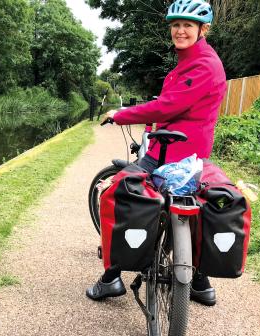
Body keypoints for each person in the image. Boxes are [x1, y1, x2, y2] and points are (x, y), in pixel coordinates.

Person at [86, 0, 227, 307]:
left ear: (204, 29)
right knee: (191, 207)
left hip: (175, 152)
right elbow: (177, 106)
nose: (180, 31)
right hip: (189, 150)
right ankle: (200, 283)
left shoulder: (202, 64)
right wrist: (153, 120)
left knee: (118, 195)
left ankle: (111, 279)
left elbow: (169, 106)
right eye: (175, 25)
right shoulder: (190, 61)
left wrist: (121, 114)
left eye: (188, 25)